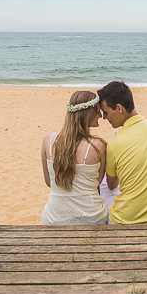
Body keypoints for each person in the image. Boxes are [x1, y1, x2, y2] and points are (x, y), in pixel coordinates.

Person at [98, 80, 147, 224]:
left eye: (106, 112)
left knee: (104, 183)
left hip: (123, 221)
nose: (105, 118)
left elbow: (112, 185)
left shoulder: (113, 145)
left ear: (119, 108)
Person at [40, 90, 108, 225]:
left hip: (55, 219)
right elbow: (97, 182)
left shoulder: (48, 140)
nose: (100, 115)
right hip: (92, 218)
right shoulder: (98, 145)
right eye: (97, 111)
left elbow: (49, 182)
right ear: (87, 114)